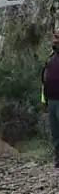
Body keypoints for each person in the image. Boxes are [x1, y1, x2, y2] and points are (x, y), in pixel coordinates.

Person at [41, 31, 59, 170]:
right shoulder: (51, 58)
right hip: (51, 101)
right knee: (55, 133)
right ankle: (57, 160)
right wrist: (44, 101)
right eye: (54, 37)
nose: (54, 40)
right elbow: (44, 80)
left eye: (57, 37)